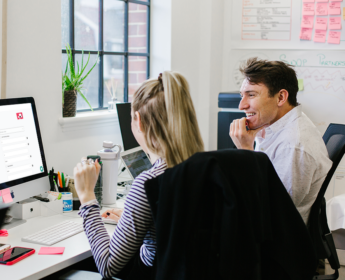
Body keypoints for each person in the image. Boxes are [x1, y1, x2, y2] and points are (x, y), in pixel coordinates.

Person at [73, 71, 204, 279]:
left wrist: (87, 197)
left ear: (139, 121)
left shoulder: (148, 183)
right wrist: (132, 214)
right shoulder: (205, 169)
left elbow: (108, 267)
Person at [229, 57, 332, 224]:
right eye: (242, 95)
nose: (241, 105)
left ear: (281, 97)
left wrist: (246, 151)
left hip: (277, 241)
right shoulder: (275, 125)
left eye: (251, 95)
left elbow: (272, 211)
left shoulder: (293, 145)